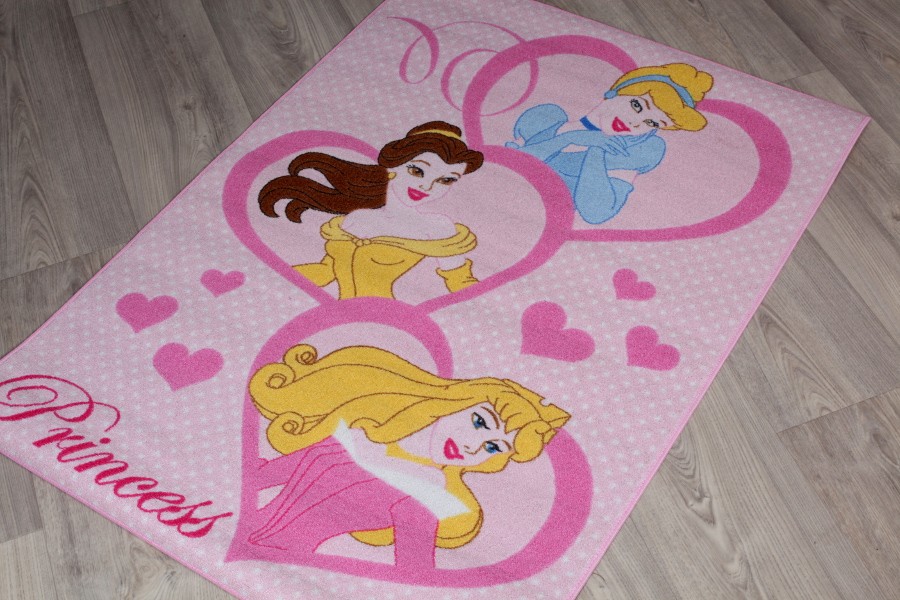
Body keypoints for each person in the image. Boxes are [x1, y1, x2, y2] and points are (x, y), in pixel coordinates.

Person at [246, 344, 570, 565]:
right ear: (453, 402)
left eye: (494, 447)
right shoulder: (356, 433)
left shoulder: (433, 496)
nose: (473, 447)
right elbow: (258, 479)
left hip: (296, 565)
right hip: (247, 533)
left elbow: (412, 570)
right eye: (479, 422)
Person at [259, 122, 484, 299]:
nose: (427, 187)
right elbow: (326, 271)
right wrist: (272, 280)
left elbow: (460, 283)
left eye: (445, 180)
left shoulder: (437, 228)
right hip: (335, 313)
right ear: (392, 167)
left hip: (386, 318)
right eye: (417, 171)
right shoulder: (358, 218)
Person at [506, 63, 714, 224]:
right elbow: (513, 163)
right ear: (616, 92)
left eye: (651, 122)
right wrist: (570, 138)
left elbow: (595, 213)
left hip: (535, 221)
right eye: (636, 105)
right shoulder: (550, 121)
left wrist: (597, 149)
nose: (634, 122)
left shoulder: (623, 159)